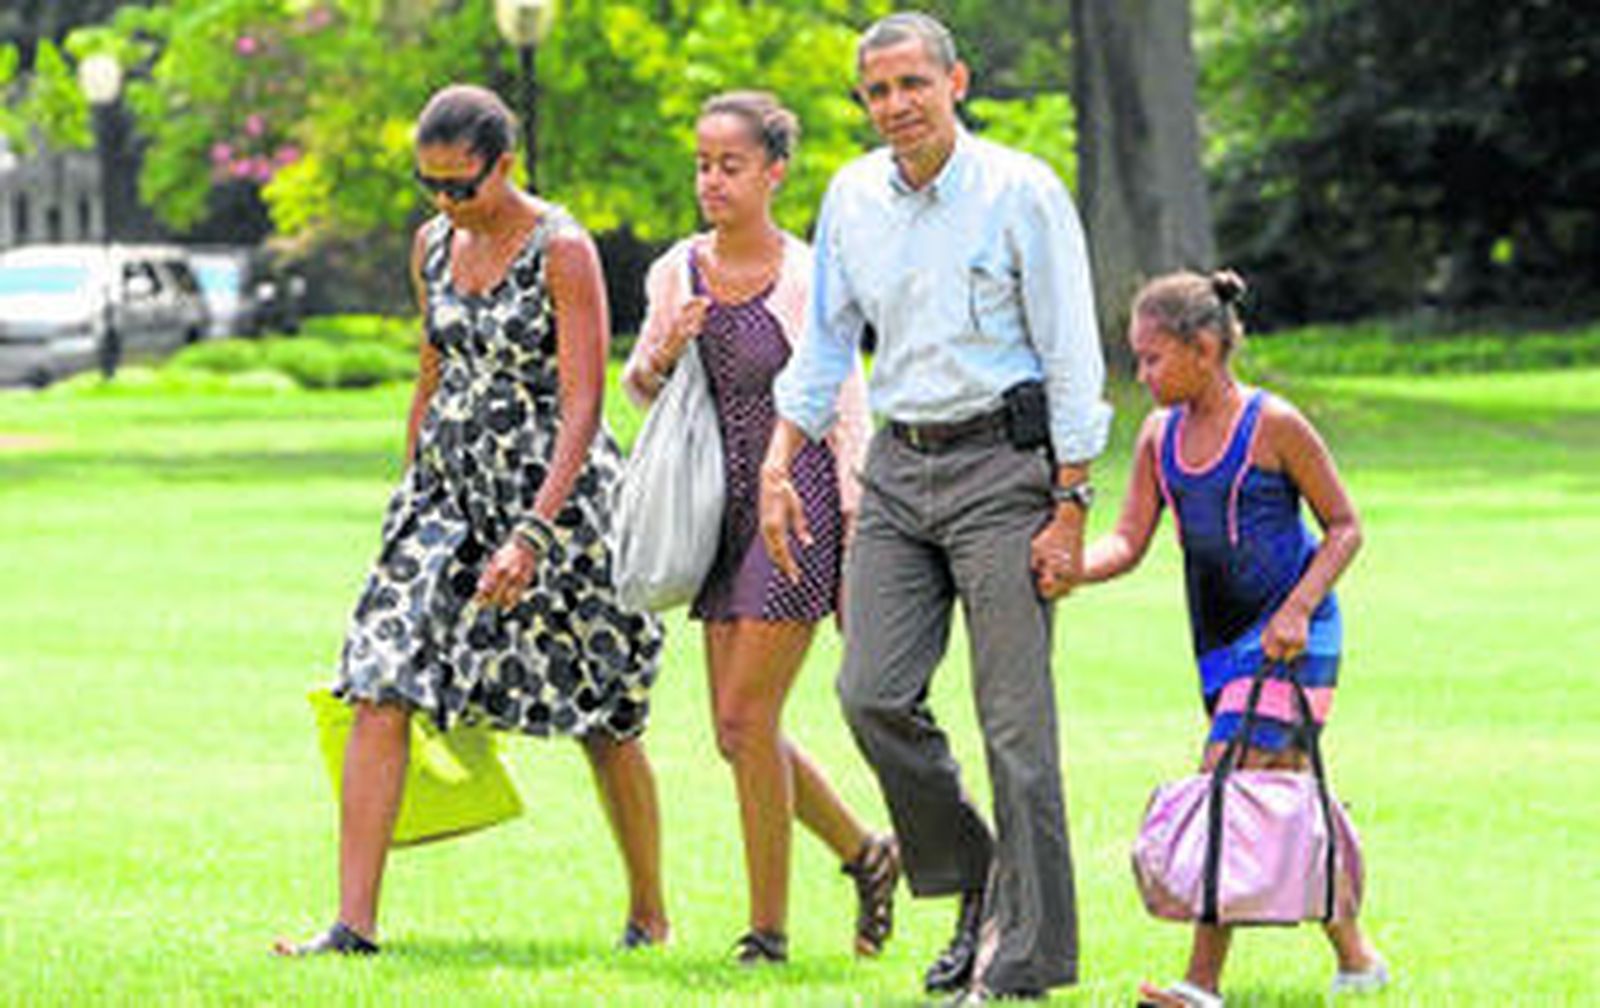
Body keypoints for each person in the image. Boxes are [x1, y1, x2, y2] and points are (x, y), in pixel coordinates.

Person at [759, 12, 1111, 1002]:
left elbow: (1073, 353)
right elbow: (826, 347)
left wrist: (1071, 504)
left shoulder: (1020, 193)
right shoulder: (851, 198)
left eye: (913, 83)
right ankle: (975, 876)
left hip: (1005, 472)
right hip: (897, 475)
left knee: (1015, 727)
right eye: (877, 91)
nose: (895, 106)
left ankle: (1025, 960)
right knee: (868, 691)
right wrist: (781, 464)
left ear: (955, 82)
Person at [275, 84, 670, 957]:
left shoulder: (562, 250)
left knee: (603, 712)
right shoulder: (433, 244)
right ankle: (353, 925)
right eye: (432, 187)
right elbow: (432, 365)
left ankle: (648, 911)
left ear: (506, 161)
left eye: (463, 186)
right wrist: (412, 477)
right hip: (445, 496)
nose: (448, 203)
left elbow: (583, 401)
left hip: (552, 500)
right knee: (377, 680)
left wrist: (532, 532)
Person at [620, 91, 898, 965]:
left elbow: (848, 411)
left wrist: (856, 537)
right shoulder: (676, 271)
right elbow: (641, 385)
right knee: (737, 732)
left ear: (775, 172)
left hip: (801, 507)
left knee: (747, 714)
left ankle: (767, 933)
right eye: (703, 164)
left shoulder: (812, 276)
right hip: (717, 511)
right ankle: (866, 852)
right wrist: (666, 345)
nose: (711, 180)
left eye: (730, 165)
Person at [1081, 271, 1389, 1007]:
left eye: (1153, 358)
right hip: (1219, 646)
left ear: (1207, 347)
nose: (1142, 373)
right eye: (1137, 357)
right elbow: (1126, 540)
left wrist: (1297, 609)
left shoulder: (1274, 424)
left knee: (1224, 784)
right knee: (1279, 796)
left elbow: (1345, 527)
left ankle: (1200, 984)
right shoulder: (1159, 437)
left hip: (1293, 635)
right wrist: (1069, 570)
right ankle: (1358, 958)